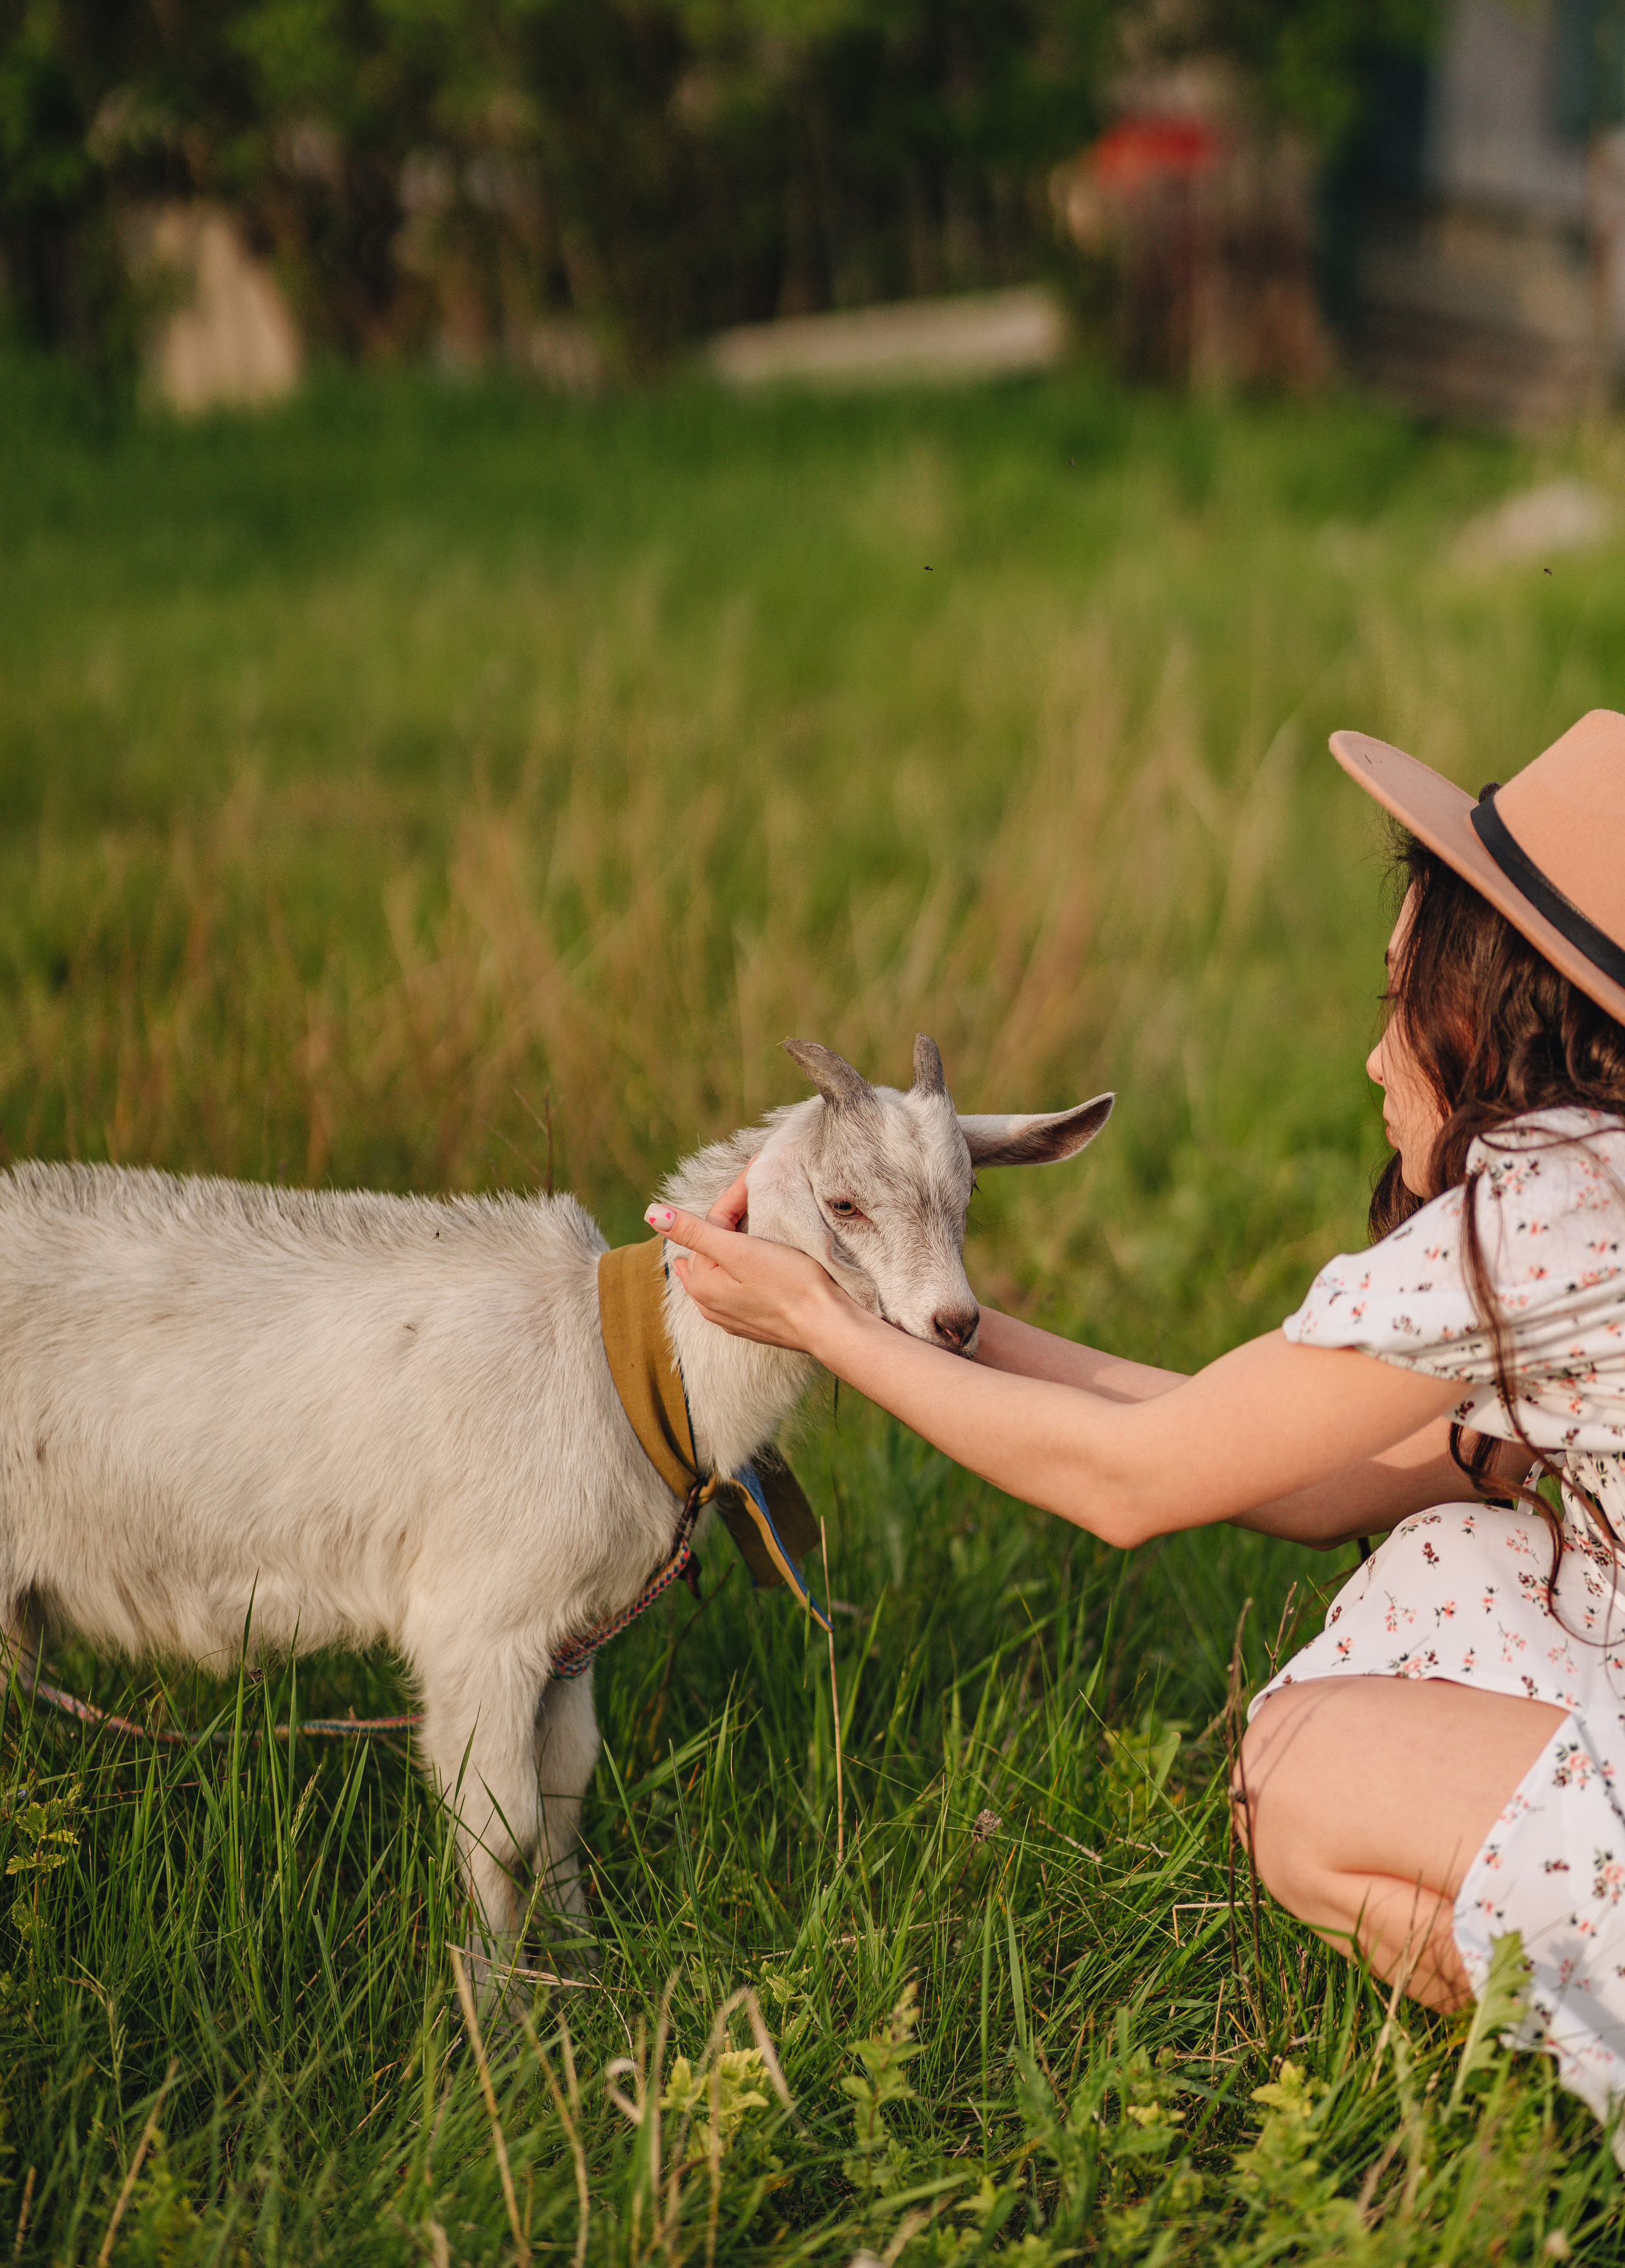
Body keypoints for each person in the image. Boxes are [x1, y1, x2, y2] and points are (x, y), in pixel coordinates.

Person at [644, 710, 1625, 2142]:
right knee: (1451, 1556)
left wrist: (826, 1328)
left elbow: (1128, 1481)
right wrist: (913, 1309)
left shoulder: (1549, 1211)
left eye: (1395, 1002)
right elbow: (1305, 1471)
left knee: (1294, 1771)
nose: (1369, 1060)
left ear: (1497, 1008)